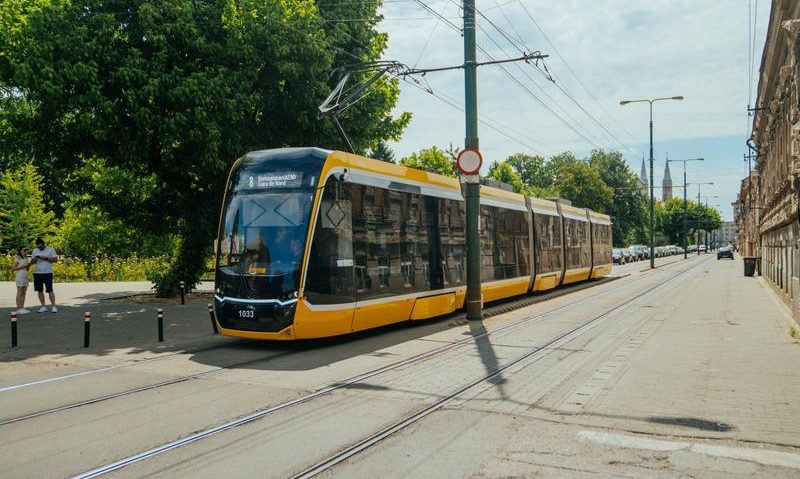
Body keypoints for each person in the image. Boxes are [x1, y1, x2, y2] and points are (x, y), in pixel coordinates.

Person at [31, 238, 58, 313]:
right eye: (38, 247)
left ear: (44, 244)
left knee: (50, 290)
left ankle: (53, 306)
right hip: (37, 273)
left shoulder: (50, 249)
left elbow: (55, 260)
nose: (40, 248)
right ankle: (43, 306)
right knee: (39, 290)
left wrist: (45, 258)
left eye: (41, 246)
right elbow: (32, 262)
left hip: (48, 272)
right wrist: (35, 259)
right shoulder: (35, 250)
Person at [11, 246, 32, 314]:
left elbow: (27, 269)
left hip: (25, 276)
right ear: (20, 251)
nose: (26, 251)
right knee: (19, 292)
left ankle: (22, 307)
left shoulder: (26, 258)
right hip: (19, 276)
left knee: (24, 292)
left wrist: (28, 265)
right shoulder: (18, 258)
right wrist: (22, 266)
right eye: (24, 250)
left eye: (27, 250)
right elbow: (13, 268)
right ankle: (18, 308)